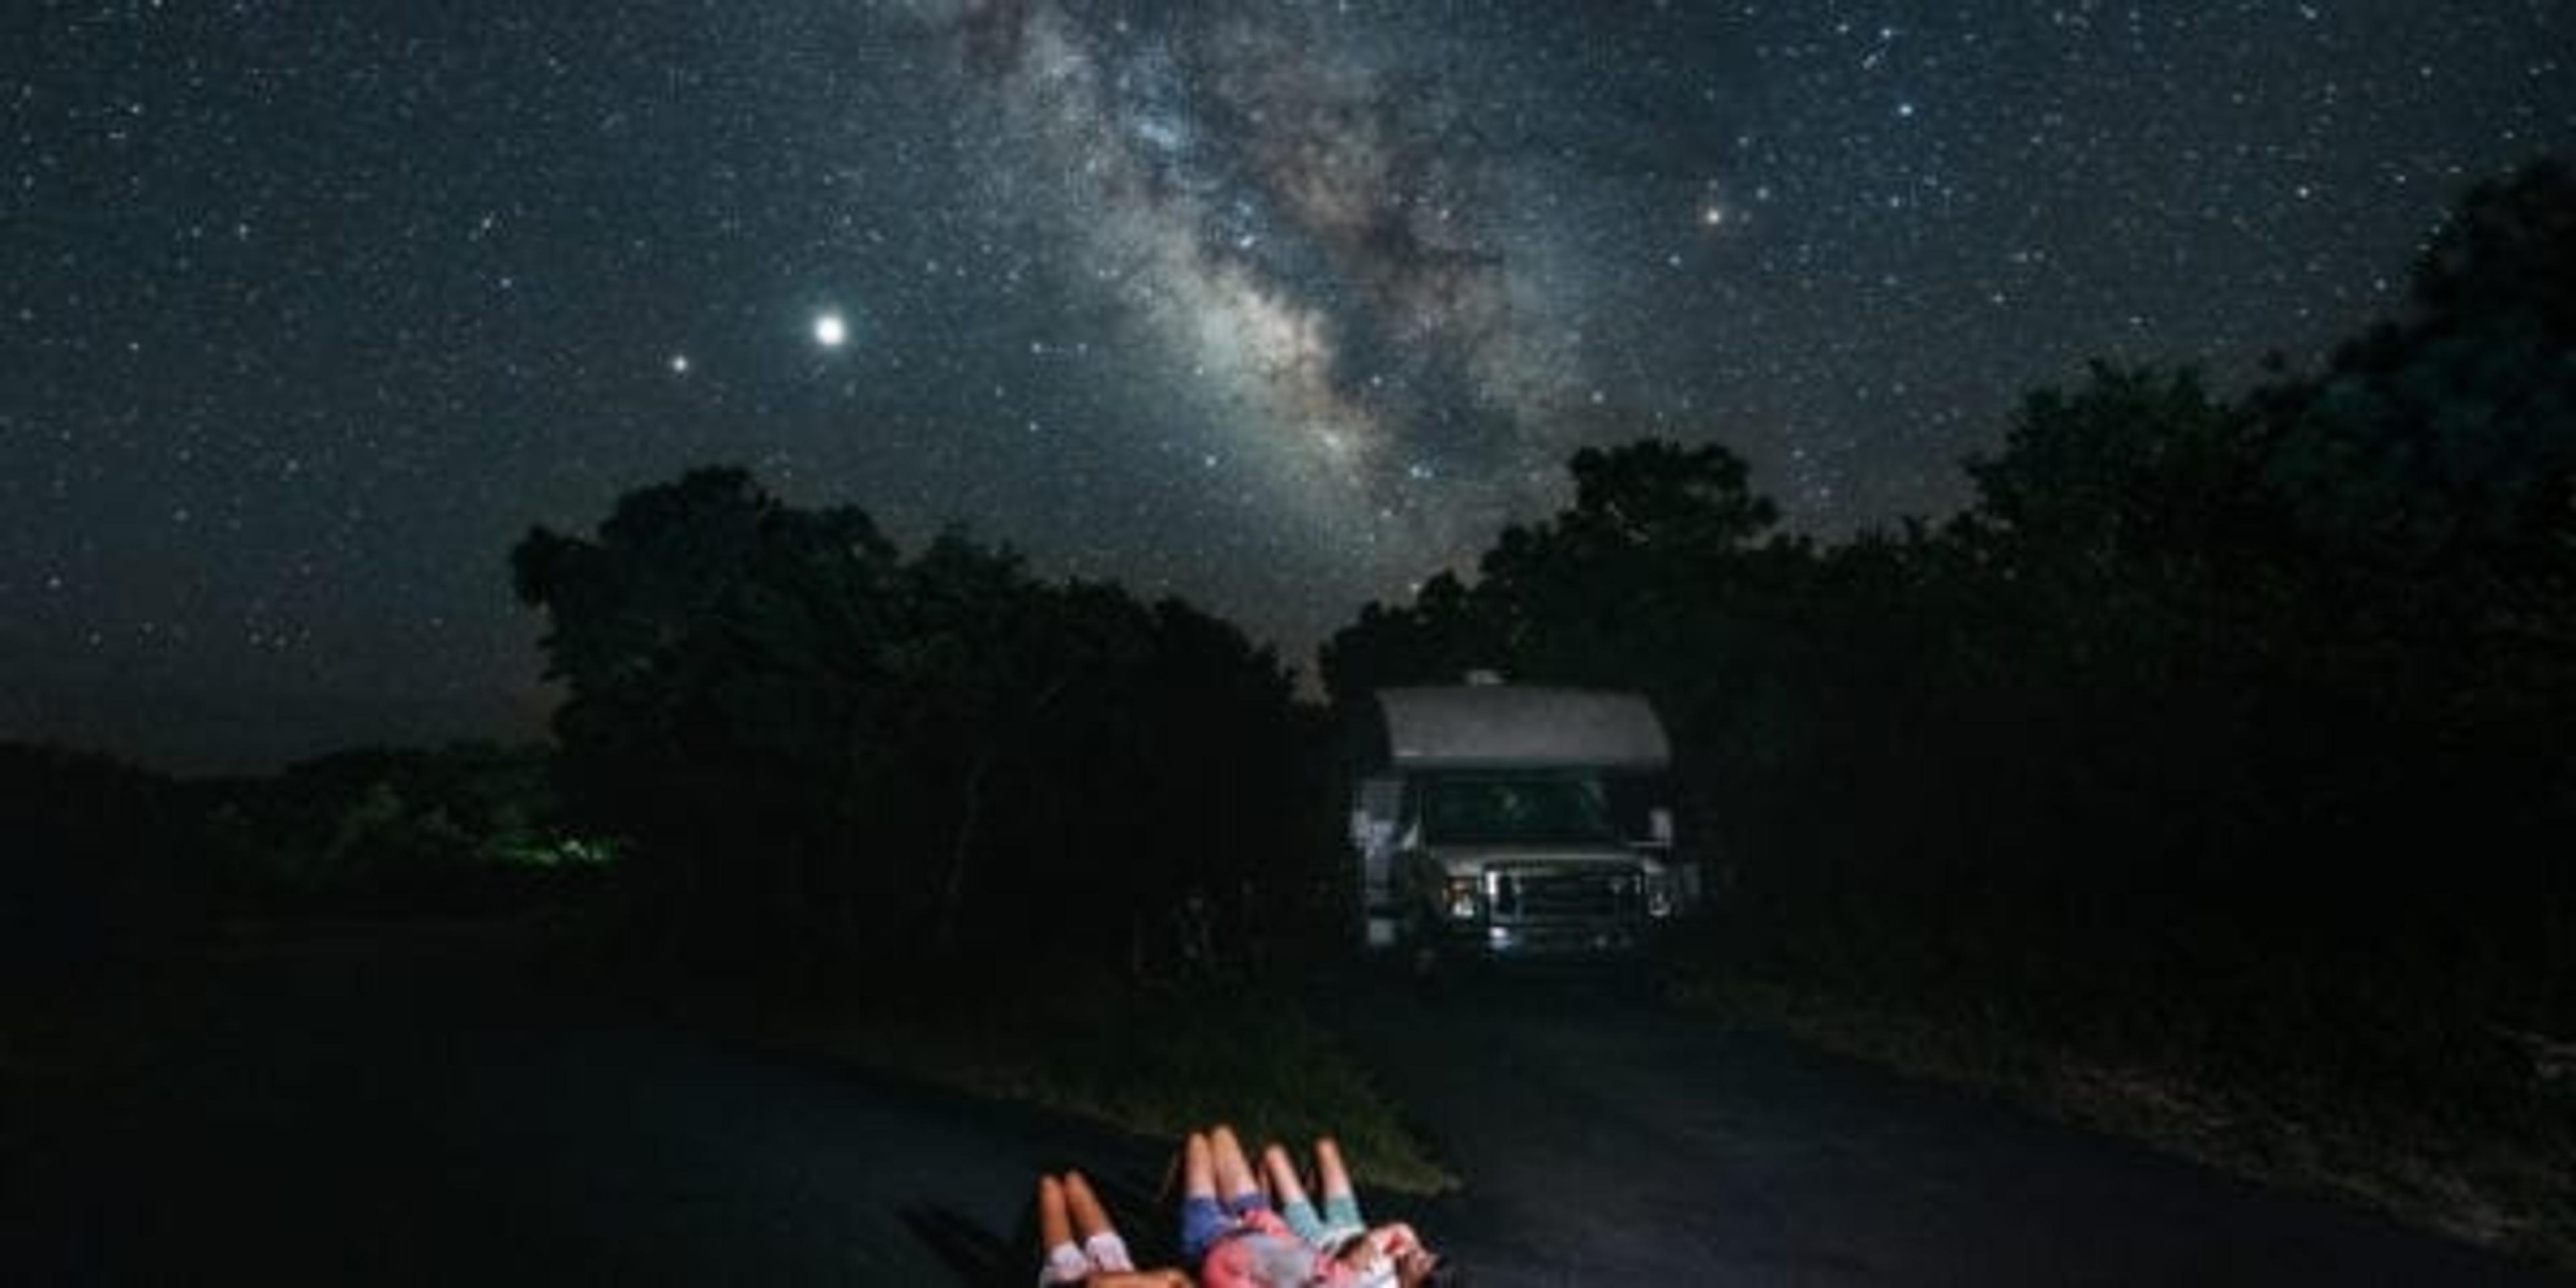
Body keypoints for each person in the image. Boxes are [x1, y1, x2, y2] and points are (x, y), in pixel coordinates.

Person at [1036, 1170, 1191, 1287]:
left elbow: (1095, 1283)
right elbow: (1177, 1276)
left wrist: (1154, 1282)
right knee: (1073, 1181)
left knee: (1049, 1187)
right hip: (1116, 1268)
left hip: (1068, 1279)